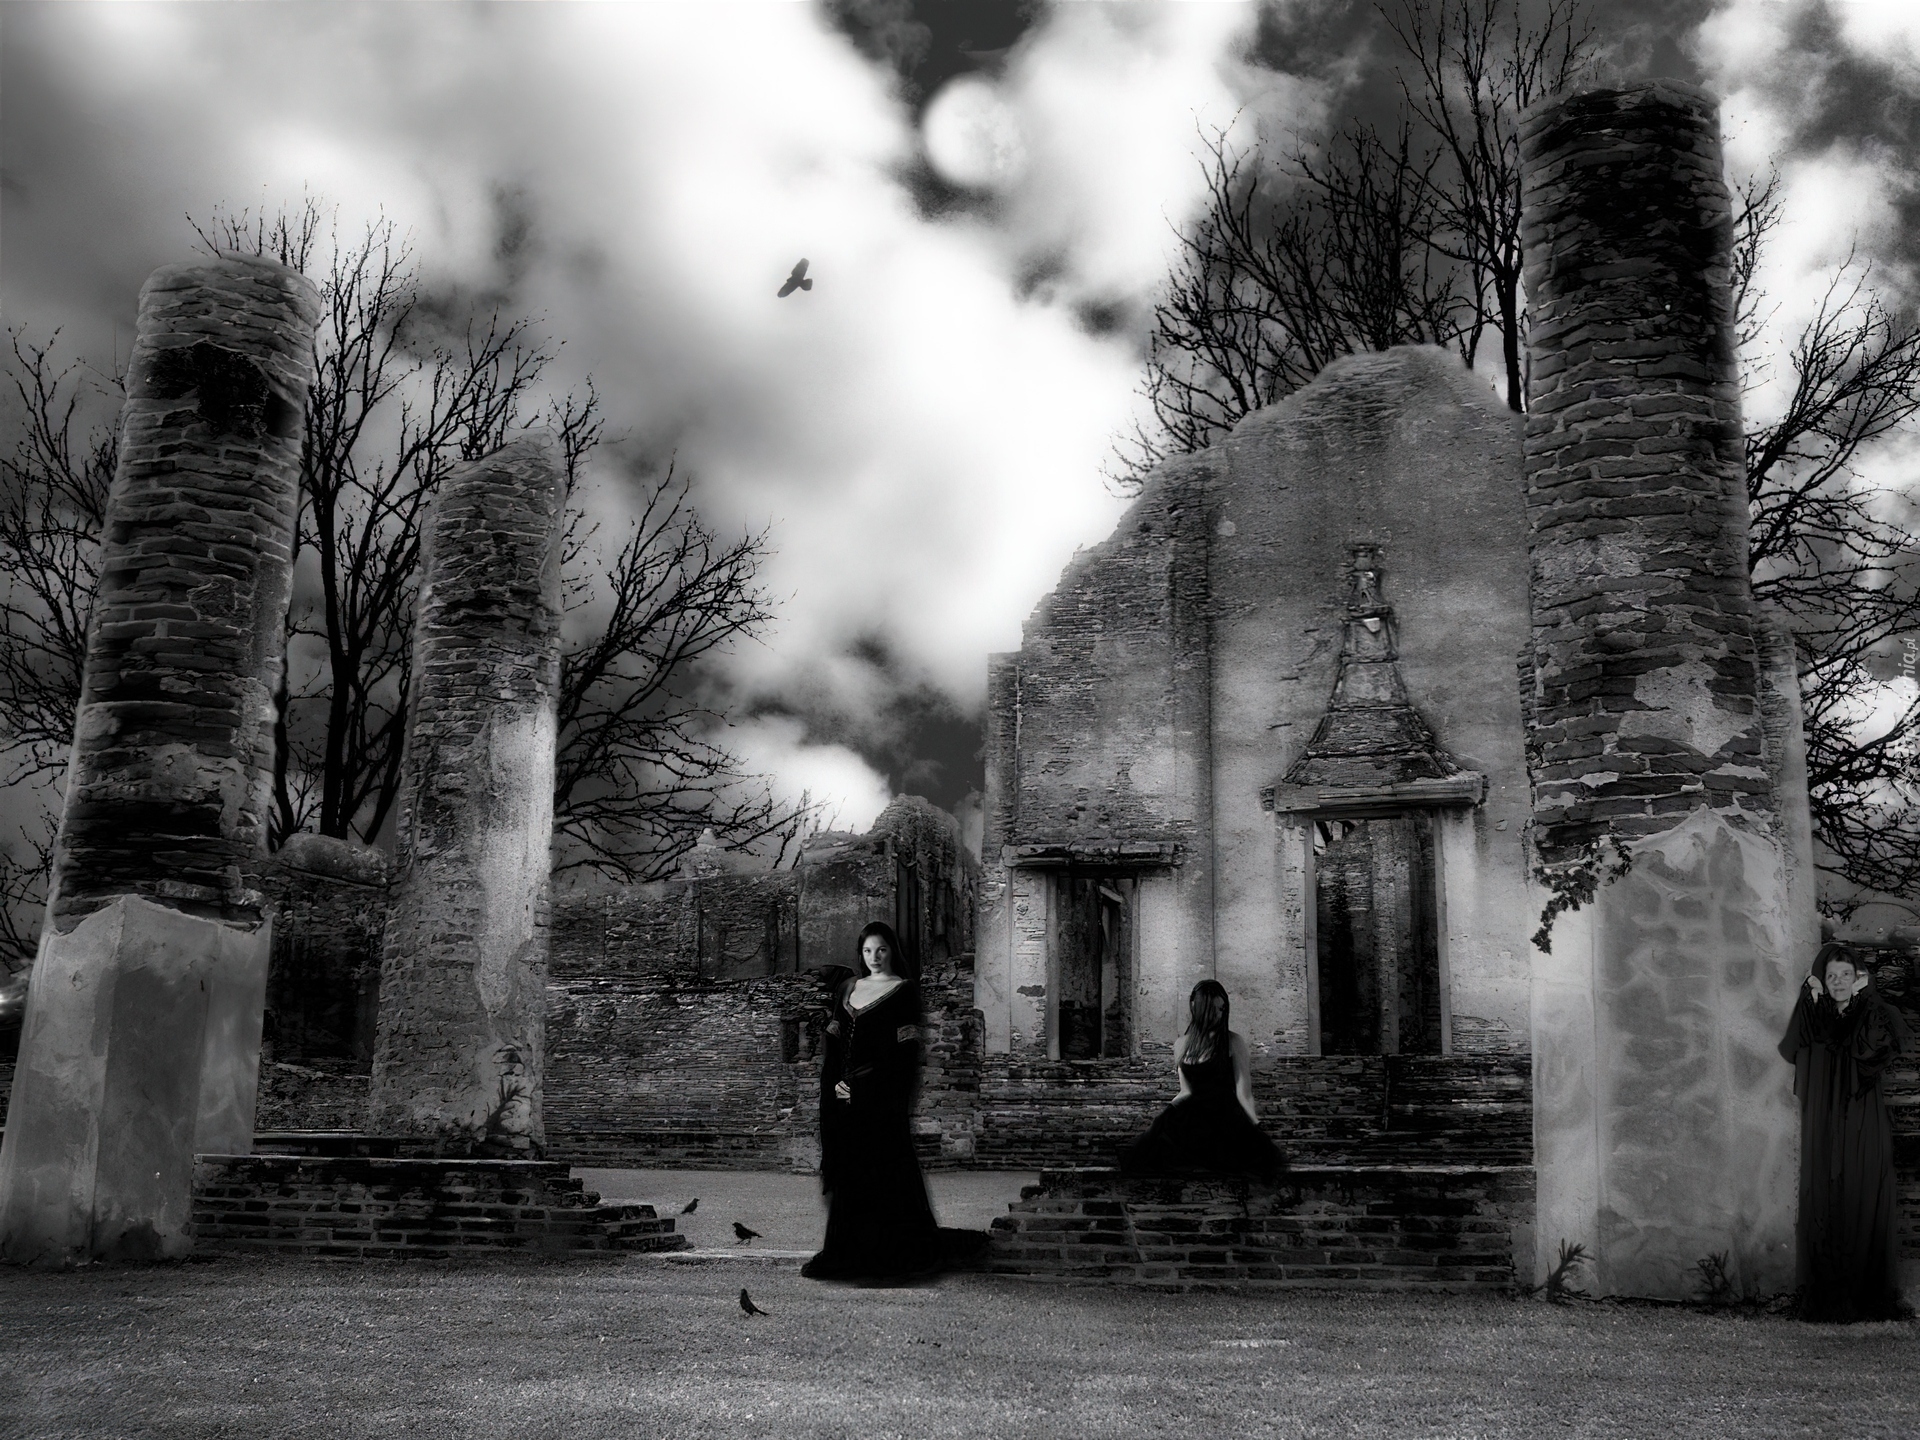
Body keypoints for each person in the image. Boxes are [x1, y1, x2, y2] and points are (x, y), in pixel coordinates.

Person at [802, 921, 984, 1283]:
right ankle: (850, 1252)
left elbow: (903, 1053)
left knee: (883, 1170)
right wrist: (836, 1085)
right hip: (842, 1096)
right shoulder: (848, 988)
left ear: (891, 951)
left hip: (880, 1099)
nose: (874, 957)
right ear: (861, 953)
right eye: (868, 950)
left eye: (881, 949)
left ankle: (887, 1255)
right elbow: (834, 1042)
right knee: (851, 1171)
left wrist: (865, 1088)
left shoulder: (903, 991)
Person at [1777, 942, 1913, 1322]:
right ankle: (1827, 1295)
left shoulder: (1871, 1013)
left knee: (1860, 1192)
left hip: (1861, 1120)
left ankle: (1864, 1296)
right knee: (1826, 1196)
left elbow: (1873, 1048)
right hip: (1823, 1122)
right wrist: (1810, 996)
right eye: (1831, 975)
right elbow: (1793, 1046)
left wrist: (1863, 998)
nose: (1838, 982)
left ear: (1858, 979)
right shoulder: (1816, 1014)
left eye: (1846, 975)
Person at [1119, 979, 1286, 1179]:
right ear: (1196, 1007)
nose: (1219, 1015)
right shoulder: (1180, 1045)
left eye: (1222, 1009)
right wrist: (1166, 1113)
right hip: (1192, 1117)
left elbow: (1243, 1092)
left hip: (1224, 1116)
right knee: (1156, 1143)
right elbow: (1186, 1091)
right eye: (1212, 1009)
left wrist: (1255, 1123)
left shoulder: (1233, 1041)